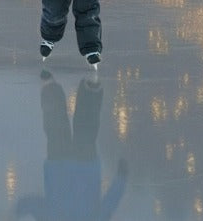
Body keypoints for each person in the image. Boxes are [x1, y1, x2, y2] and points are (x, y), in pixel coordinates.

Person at [14, 69, 129, 221]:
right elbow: (108, 205)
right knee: (69, 130)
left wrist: (21, 208)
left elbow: (109, 204)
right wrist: (21, 208)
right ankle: (67, 90)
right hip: (70, 167)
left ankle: (66, 90)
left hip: (73, 167)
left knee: (66, 129)